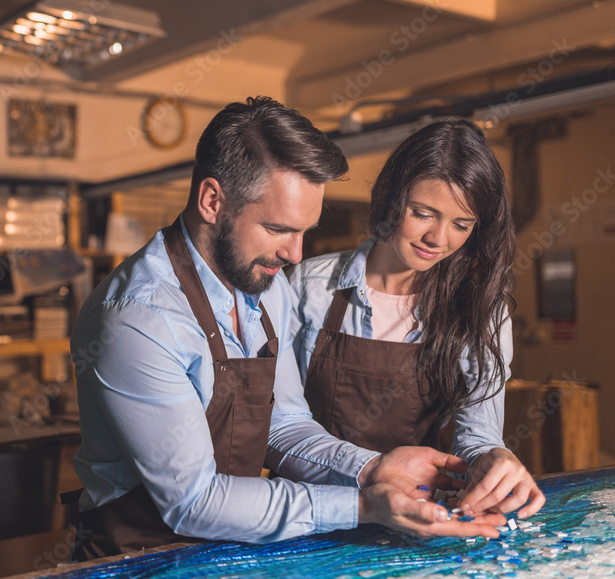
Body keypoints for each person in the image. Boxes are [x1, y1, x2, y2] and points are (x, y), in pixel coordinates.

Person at [69, 98, 505, 561]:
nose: (296, 255)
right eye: (278, 229)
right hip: (135, 559)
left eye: (305, 232)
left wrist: (374, 468)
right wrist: (362, 505)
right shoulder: (138, 319)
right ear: (212, 201)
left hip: (228, 550)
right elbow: (192, 502)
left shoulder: (262, 284)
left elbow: (284, 424)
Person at [288, 118, 545, 520]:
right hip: (313, 512)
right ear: (391, 198)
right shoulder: (309, 285)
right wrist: (368, 473)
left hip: (414, 516)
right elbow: (280, 425)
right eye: (423, 213)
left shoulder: (478, 307)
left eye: (461, 225)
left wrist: (492, 459)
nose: (438, 239)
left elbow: (476, 436)